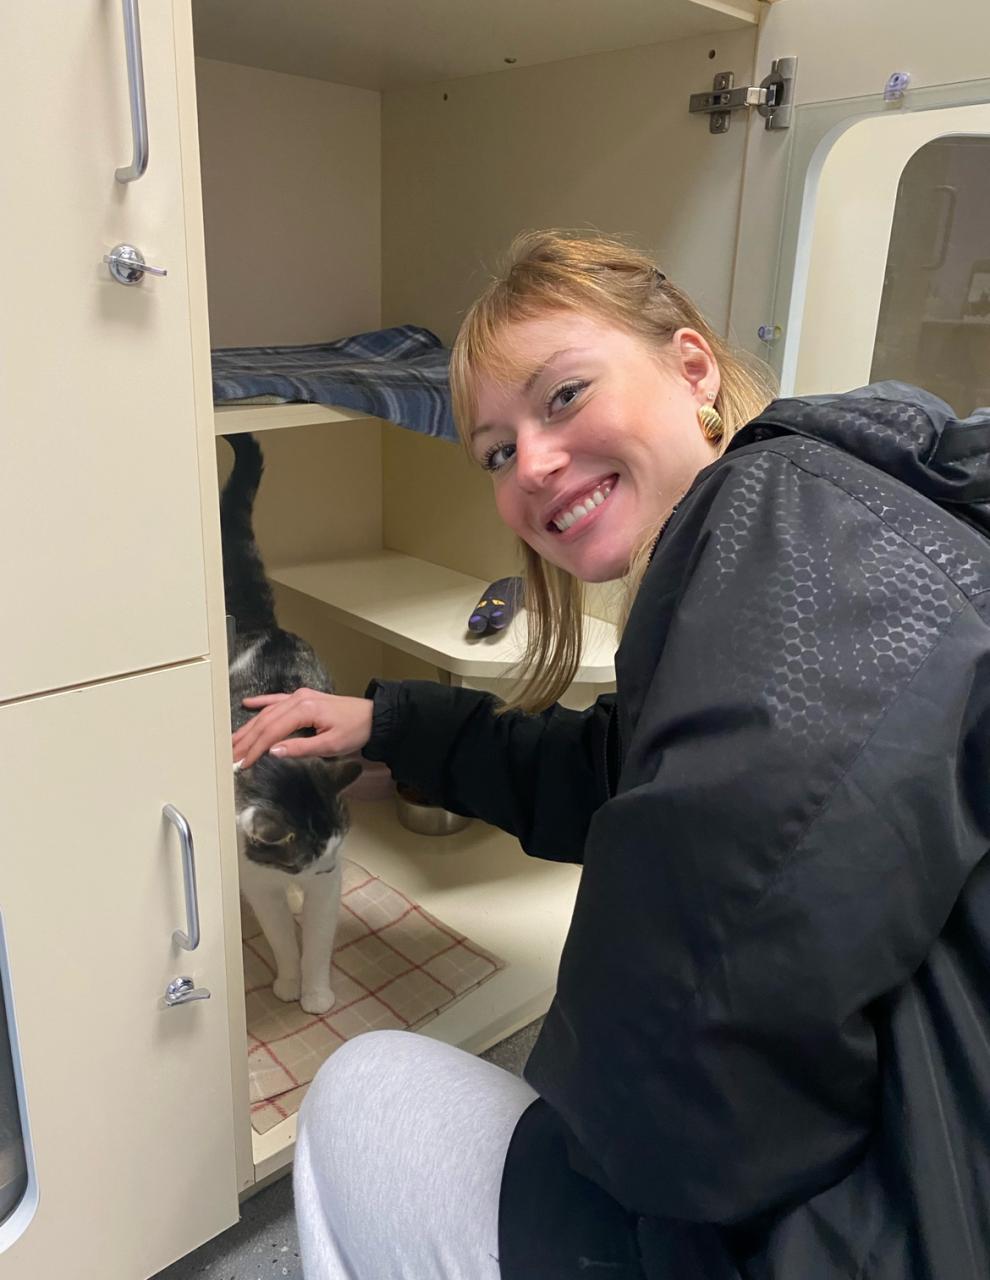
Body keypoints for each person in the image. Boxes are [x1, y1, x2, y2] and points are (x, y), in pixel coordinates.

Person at [231, 231, 990, 1280]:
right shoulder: (839, 513)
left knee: (359, 1087)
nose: (532, 465)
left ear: (693, 367)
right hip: (907, 1165)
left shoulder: (794, 530)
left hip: (872, 1231)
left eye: (564, 395)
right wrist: (392, 724)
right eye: (497, 453)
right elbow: (617, 766)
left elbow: (685, 1056)